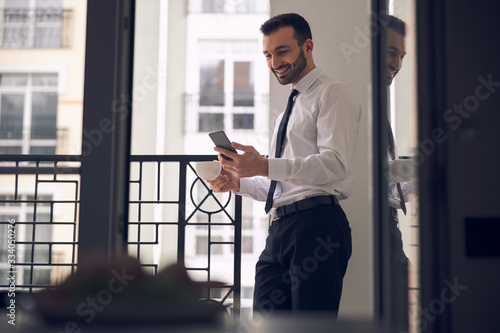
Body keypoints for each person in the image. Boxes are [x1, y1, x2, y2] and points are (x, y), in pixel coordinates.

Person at [207, 13, 360, 316]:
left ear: (307, 46)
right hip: (280, 229)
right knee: (266, 322)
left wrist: (264, 165)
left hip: (317, 226)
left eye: (282, 51)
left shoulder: (332, 93)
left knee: (310, 325)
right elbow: (284, 183)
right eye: (267, 54)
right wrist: (240, 182)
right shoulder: (286, 111)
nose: (274, 61)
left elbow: (335, 165)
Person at [384, 14, 416, 331]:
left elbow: (386, 176)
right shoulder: (359, 101)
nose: (397, 63)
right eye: (391, 52)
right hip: (379, 228)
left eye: (401, 56)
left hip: (391, 228)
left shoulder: (379, 105)